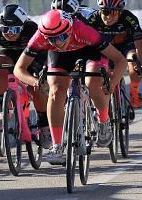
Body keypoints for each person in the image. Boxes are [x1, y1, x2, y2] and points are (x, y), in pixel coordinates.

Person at [14, 10, 128, 164]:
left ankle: (103, 121)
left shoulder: (83, 30)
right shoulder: (41, 37)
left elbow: (121, 60)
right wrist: (35, 82)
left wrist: (113, 82)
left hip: (90, 50)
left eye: (61, 37)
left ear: (69, 29)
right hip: (61, 57)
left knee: (92, 82)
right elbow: (18, 69)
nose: (58, 42)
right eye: (51, 39)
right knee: (55, 90)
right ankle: (57, 145)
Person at [0, 4, 51, 148]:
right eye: (5, 29)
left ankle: (44, 127)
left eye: (14, 29)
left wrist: (39, 71)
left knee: (36, 87)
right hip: (5, 53)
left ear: (22, 26)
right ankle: (3, 108)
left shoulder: (31, 28)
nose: (9, 33)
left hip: (28, 56)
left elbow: (44, 53)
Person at [90, 0, 142, 108]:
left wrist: (140, 63)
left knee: (134, 61)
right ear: (100, 10)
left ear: (121, 12)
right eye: (105, 12)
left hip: (126, 46)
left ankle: (134, 92)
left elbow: (139, 43)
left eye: (114, 13)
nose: (109, 17)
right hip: (105, 47)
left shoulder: (129, 18)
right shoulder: (93, 18)